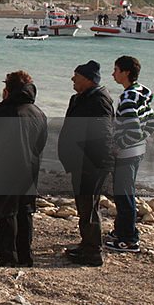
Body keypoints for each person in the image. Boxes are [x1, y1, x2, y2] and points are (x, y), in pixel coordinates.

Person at [0, 71, 48, 267]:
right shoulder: (38, 112)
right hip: (30, 168)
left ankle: (6, 255)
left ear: (8, 90)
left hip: (6, 168)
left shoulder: (5, 112)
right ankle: (25, 254)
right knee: (25, 211)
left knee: (6, 212)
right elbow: (41, 142)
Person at [58, 60, 114, 266]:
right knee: (86, 206)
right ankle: (87, 244)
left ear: (88, 80)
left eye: (77, 76)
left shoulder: (98, 100)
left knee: (88, 205)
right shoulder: (85, 98)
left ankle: (93, 251)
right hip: (84, 161)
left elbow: (103, 135)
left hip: (91, 163)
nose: (72, 79)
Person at [107, 56, 154, 254]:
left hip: (127, 154)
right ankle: (121, 231)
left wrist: (119, 146)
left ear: (126, 72)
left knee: (123, 195)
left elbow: (133, 130)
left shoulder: (128, 99)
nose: (113, 74)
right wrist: (142, 140)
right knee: (125, 192)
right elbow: (152, 123)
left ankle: (128, 239)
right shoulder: (140, 94)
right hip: (137, 151)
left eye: (116, 70)